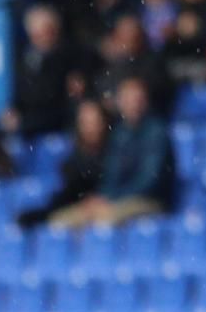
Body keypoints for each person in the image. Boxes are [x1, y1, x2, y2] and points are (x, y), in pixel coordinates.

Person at [50, 77, 174, 228]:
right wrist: (101, 197)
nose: (132, 104)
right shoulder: (119, 133)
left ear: (145, 101)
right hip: (116, 201)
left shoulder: (156, 132)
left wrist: (111, 198)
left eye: (136, 99)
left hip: (148, 201)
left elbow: (148, 180)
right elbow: (111, 174)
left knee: (103, 221)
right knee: (60, 222)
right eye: (127, 99)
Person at [18, 97, 110, 228]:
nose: (89, 128)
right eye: (84, 122)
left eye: (93, 122)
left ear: (104, 122)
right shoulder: (75, 158)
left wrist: (102, 197)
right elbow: (69, 191)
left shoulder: (114, 152)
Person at [6, 4, 91, 138]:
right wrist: (13, 112)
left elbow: (61, 104)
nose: (42, 37)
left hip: (58, 131)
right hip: (27, 132)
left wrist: (25, 122)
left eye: (46, 31)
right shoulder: (24, 60)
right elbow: (19, 95)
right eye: (36, 34)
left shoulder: (71, 58)